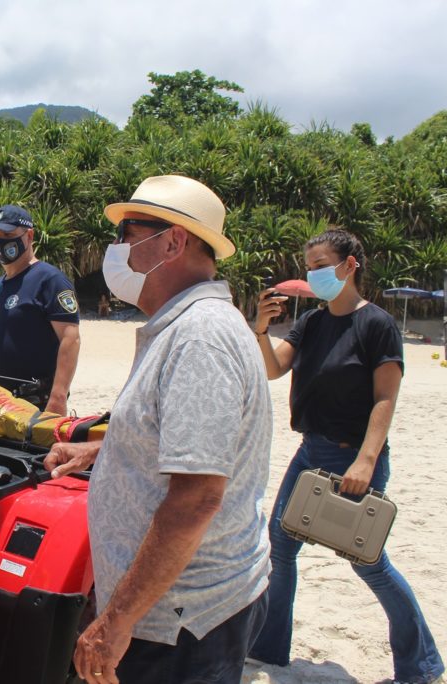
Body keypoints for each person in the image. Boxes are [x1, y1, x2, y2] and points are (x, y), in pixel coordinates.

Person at [45, 175, 271, 683]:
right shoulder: (184, 326)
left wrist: (116, 621)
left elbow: (196, 499)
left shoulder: (200, 338)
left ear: (173, 242)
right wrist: (103, 450)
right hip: (175, 607)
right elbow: (181, 440)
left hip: (182, 617)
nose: (116, 249)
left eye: (128, 233)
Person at [247, 229, 444, 683]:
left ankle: (421, 666)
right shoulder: (313, 322)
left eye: (320, 264)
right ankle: (269, 649)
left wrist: (366, 460)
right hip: (308, 452)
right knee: (281, 547)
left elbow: (385, 399)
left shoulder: (376, 324)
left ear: (349, 265)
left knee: (368, 562)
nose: (313, 274)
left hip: (351, 457)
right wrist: (260, 329)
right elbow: (274, 369)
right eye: (309, 266)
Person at [0, 204, 80, 414]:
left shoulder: (50, 280)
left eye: (7, 234)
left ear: (29, 235)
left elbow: (70, 339)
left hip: (28, 404)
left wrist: (58, 396)